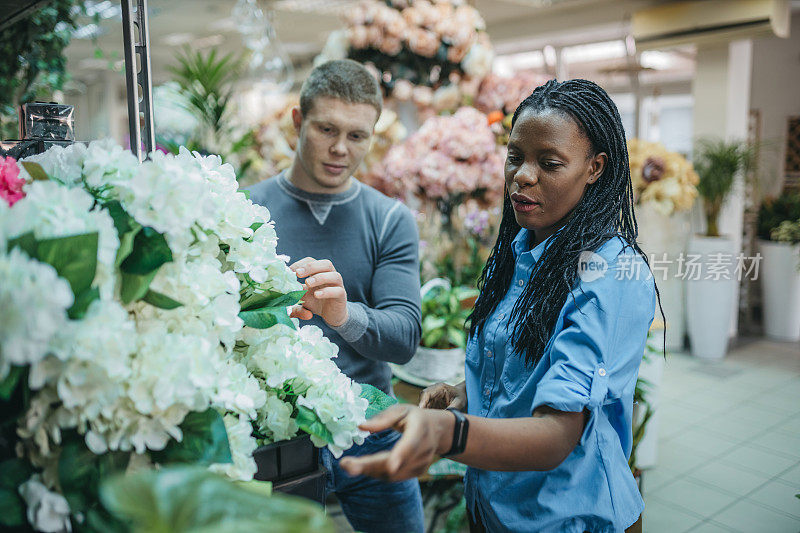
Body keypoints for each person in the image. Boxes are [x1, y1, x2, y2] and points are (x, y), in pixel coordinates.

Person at [340, 79, 662, 533]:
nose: (523, 176)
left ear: (595, 168)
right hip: (494, 506)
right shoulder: (520, 251)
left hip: (564, 517)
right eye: (515, 157)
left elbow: (555, 435)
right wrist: (463, 396)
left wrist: (445, 434)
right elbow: (515, 375)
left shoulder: (608, 273)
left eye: (549, 163)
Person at [244, 59, 424, 533]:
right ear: (298, 122)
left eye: (358, 136)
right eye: (326, 129)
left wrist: (344, 316)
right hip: (276, 433)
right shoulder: (246, 212)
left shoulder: (389, 219)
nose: (341, 148)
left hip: (371, 426)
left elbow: (404, 337)